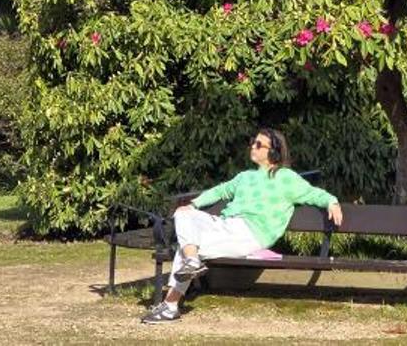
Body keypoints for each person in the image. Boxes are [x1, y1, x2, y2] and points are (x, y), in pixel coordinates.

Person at [140, 126, 343, 324]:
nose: (252, 146)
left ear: (273, 152)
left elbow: (313, 193)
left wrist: (331, 201)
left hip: (250, 235)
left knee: (187, 247)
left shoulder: (286, 178)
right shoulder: (244, 177)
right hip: (226, 226)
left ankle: (171, 304)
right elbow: (220, 191)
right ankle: (190, 265)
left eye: (258, 144)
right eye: (252, 142)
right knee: (183, 213)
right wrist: (193, 204)